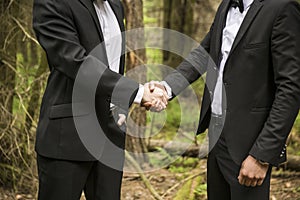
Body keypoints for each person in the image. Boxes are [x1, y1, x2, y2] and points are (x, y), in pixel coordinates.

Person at [150, 0, 300, 199]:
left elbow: (291, 88)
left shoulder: (282, 8)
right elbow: (203, 53)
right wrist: (166, 87)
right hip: (216, 134)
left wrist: (261, 156)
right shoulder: (225, 6)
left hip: (250, 144)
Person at [32, 0, 167, 199]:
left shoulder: (116, 6)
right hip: (68, 136)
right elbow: (75, 62)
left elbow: (112, 63)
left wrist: (120, 107)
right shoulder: (52, 3)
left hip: (110, 136)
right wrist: (137, 92)